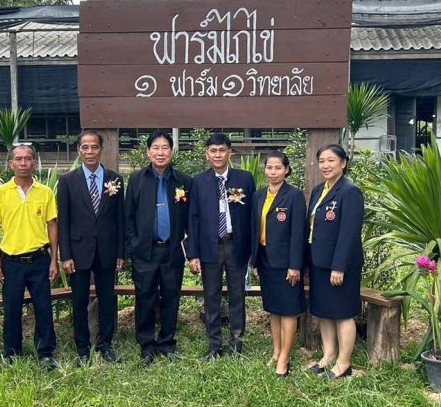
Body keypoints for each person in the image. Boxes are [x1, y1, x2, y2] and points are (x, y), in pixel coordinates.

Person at [0, 143, 59, 370]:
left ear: (35, 163)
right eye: (18, 159)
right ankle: (11, 353)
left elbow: (52, 225)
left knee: (44, 307)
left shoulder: (45, 192)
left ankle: (45, 353)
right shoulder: (1, 193)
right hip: (11, 262)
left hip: (39, 259)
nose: (23, 163)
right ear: (11, 164)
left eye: (28, 159)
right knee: (11, 308)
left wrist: (54, 260)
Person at [57, 130, 125, 365]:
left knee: (107, 299)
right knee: (79, 301)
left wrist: (121, 252)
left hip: (107, 250)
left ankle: (106, 344)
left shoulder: (115, 179)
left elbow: (120, 218)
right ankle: (82, 348)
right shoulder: (67, 181)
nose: (89, 151)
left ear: (101, 150)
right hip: (78, 251)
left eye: (94, 147)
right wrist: (65, 255)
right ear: (78, 151)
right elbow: (64, 221)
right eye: (84, 147)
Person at [124, 131, 192, 365]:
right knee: (145, 296)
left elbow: (191, 218)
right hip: (145, 250)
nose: (160, 152)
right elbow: (128, 216)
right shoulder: (137, 179)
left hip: (172, 250)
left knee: (172, 296)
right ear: (148, 152)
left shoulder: (183, 181)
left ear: (172, 151)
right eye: (155, 148)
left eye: (165, 148)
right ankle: (147, 344)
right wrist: (134, 244)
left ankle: (167, 342)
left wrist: (189, 249)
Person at [187, 132, 256, 358]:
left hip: (236, 246)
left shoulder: (244, 179)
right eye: (213, 151)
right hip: (210, 247)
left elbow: (253, 216)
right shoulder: (198, 181)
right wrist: (193, 254)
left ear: (230, 153)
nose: (217, 155)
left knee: (237, 296)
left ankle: (237, 345)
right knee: (211, 298)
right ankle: (214, 345)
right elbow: (193, 219)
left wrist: (252, 251)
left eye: (222, 150)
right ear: (207, 154)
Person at [306, 144, 364, 379]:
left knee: (342, 312)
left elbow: (349, 233)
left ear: (343, 163)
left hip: (340, 265)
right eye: (322, 161)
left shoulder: (350, 192)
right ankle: (328, 356)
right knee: (324, 311)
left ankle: (343, 363)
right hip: (319, 261)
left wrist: (338, 267)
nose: (326, 165)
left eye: (331, 160)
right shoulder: (319, 190)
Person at [249, 151, 306, 377]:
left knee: (288, 310)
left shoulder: (294, 196)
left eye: (278, 168)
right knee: (273, 309)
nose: (273, 172)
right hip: (265, 261)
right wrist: (254, 259)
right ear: (264, 169)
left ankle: (285, 357)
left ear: (287, 170)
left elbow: (298, 233)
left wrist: (295, 265)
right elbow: (255, 229)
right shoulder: (258, 195)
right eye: (269, 167)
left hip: (286, 264)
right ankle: (276, 351)